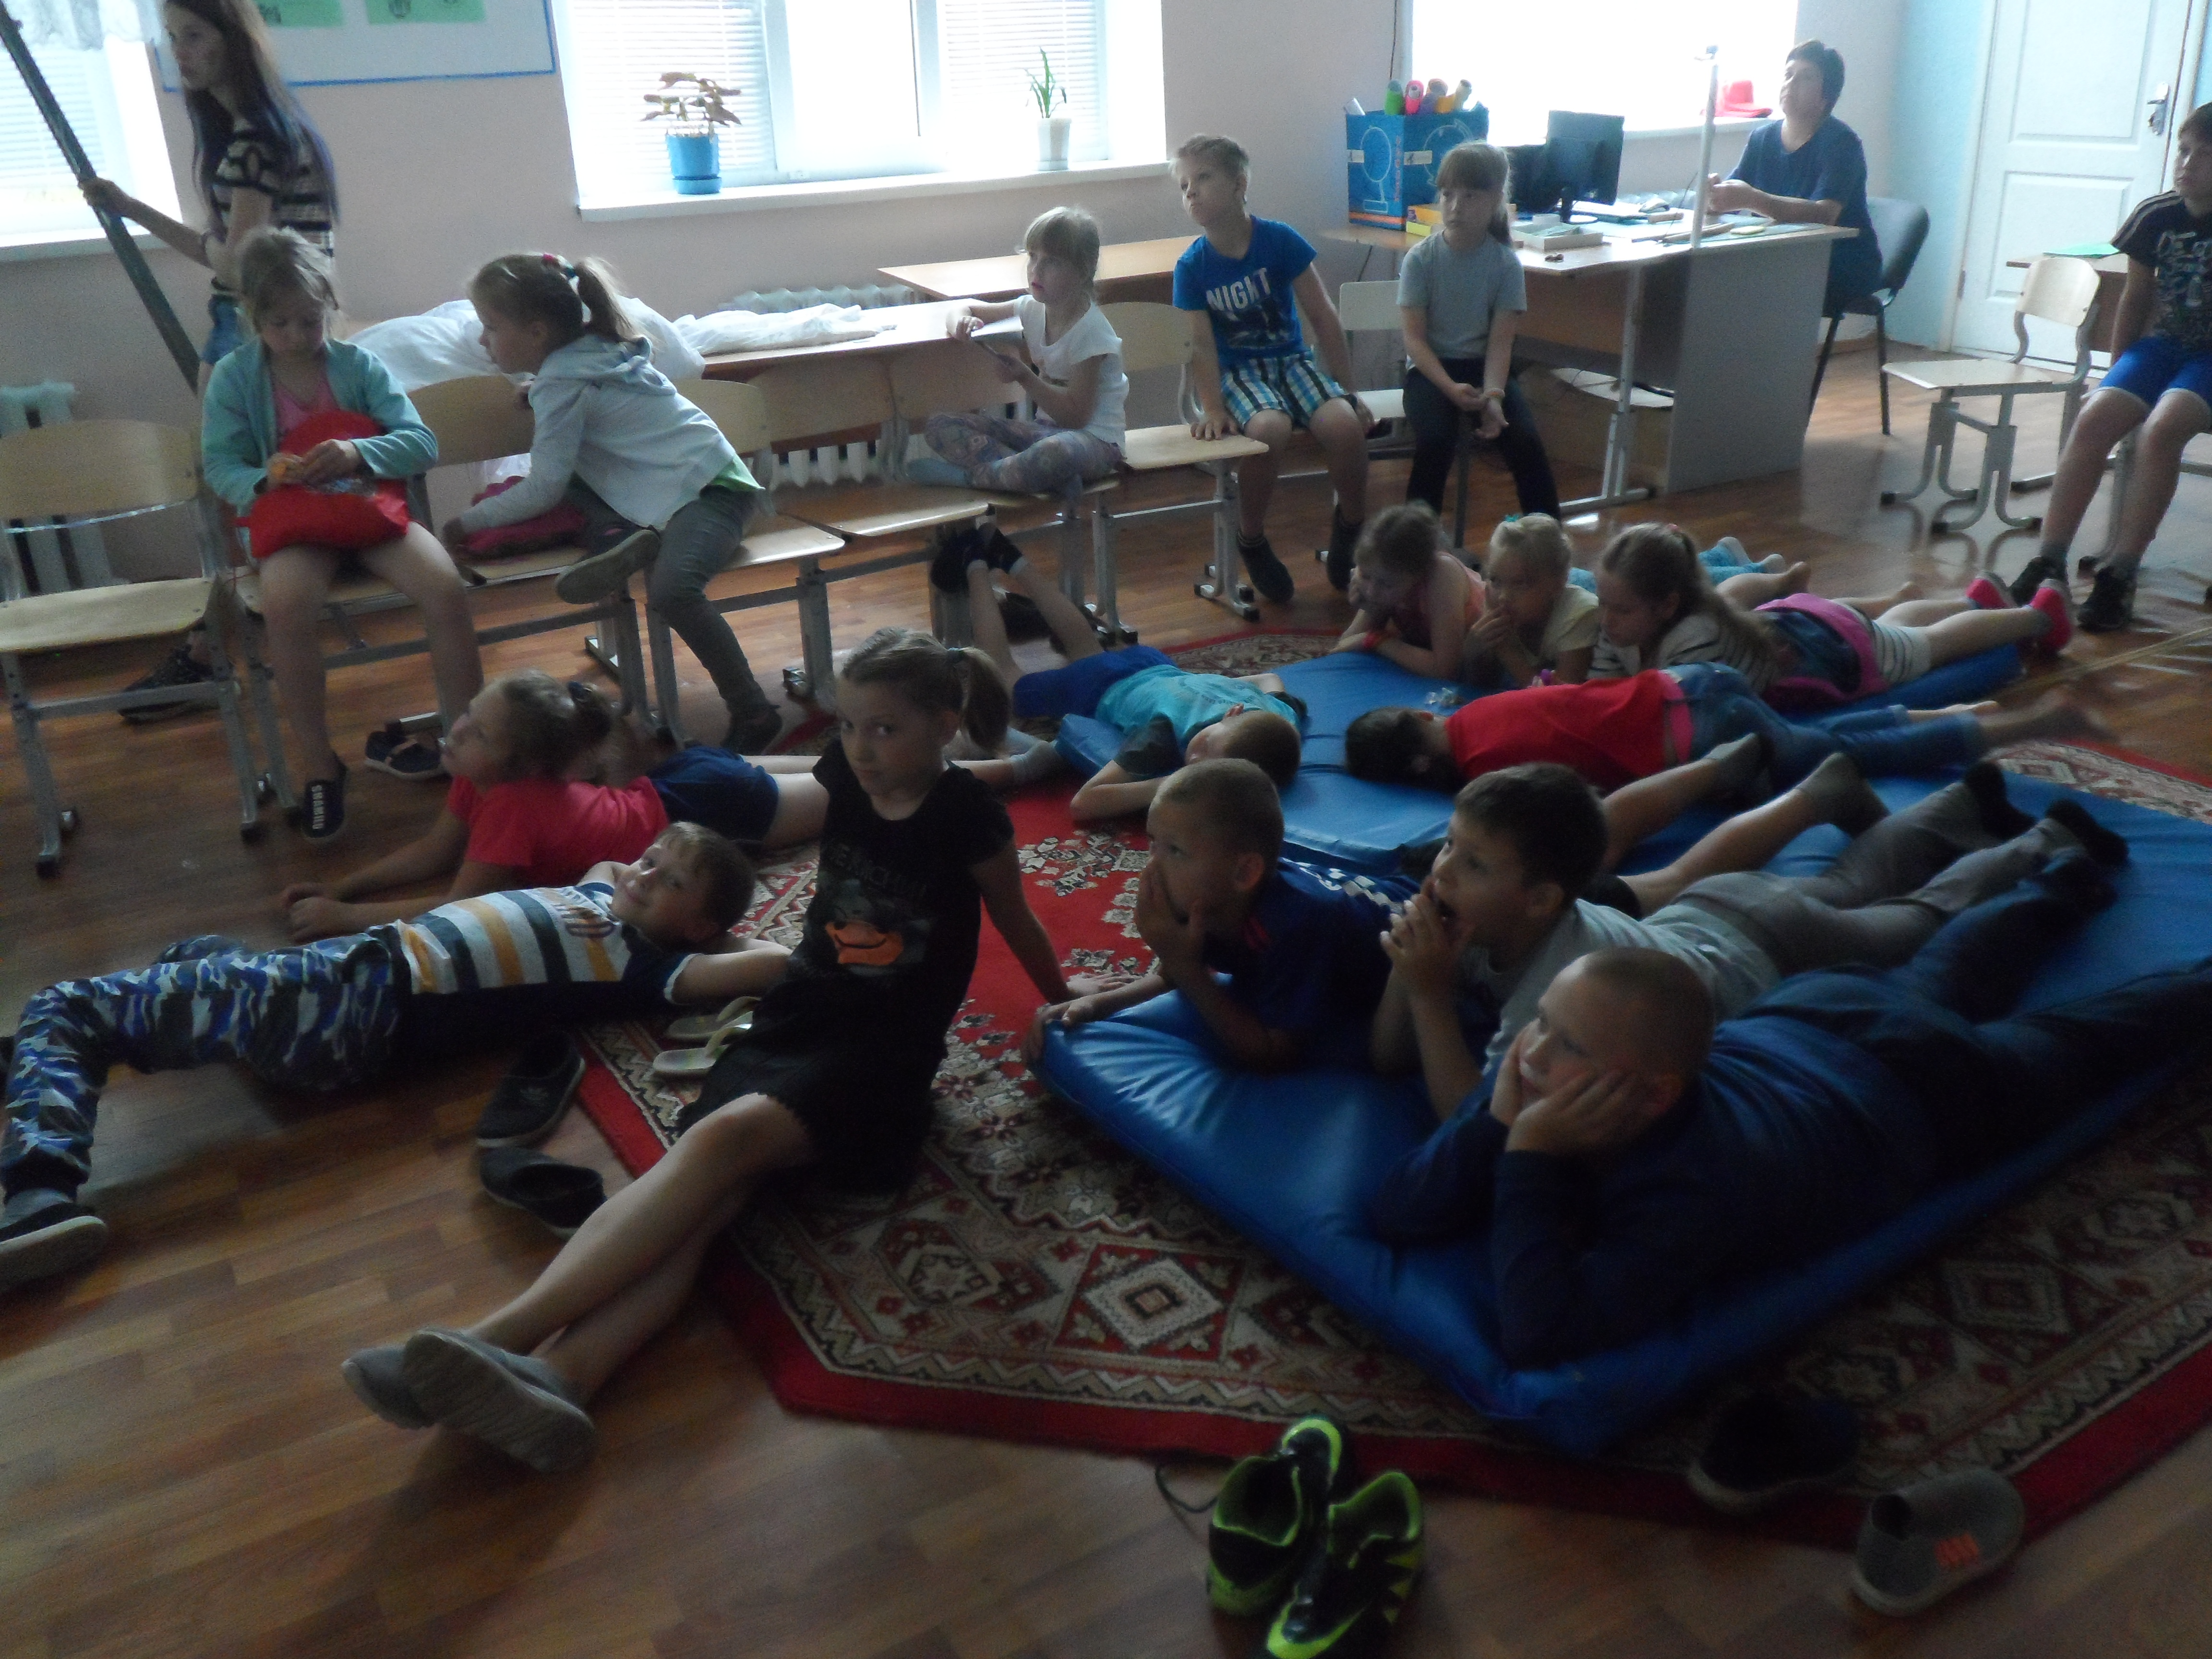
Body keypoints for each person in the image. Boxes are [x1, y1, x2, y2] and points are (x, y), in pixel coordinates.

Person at [337, 628, 1085, 1472]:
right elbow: (778, 818)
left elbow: (1015, 917)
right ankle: (564, 1380)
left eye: (886, 729)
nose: (861, 748)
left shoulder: (966, 816)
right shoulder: (844, 775)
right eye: (850, 726)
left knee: (719, 1143)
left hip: (883, 1049)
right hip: (803, 1009)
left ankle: (490, 1340)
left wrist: (1063, 998)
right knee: (705, 1200)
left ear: (944, 725)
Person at [1365, 849, 2212, 1368]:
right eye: (1542, 1022)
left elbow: (1541, 1332)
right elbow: (1397, 1209)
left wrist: (1527, 1156)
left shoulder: (1695, 1187)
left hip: (1919, 1088)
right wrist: (1496, 1119)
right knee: (1940, 975)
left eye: (1567, 1045)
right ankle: (2056, 882)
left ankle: (2144, 947)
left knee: (2083, 1043)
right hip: (1807, 1016)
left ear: (1654, 1094)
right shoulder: (1544, 1076)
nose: (1532, 1052)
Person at [0, 823, 787, 1293]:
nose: (643, 873)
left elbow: (768, 964)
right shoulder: (598, 897)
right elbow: (612, 871)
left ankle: (41, 1197)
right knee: (192, 956)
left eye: (670, 881)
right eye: (650, 858)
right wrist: (654, 877)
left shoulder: (646, 966)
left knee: (65, 1004)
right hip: (341, 989)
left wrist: (722, 938)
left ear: (698, 927)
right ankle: (50, 1063)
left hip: (353, 997)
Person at [1372, 760, 2124, 1110]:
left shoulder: (1554, 978)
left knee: (1919, 921)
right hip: (1715, 910)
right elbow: (1387, 1056)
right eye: (1449, 847)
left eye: (1473, 863)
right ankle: (1957, 803)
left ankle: (2049, 840)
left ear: (1540, 899)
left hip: (1772, 951)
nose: (1443, 871)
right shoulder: (1480, 925)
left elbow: (1472, 1119)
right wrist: (1411, 970)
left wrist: (1429, 994)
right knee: (1848, 886)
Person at [83, 0, 342, 721]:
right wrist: (130, 207)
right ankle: (215, 645)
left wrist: (159, 221)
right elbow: (225, 253)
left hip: (253, 325)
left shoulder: (258, 137)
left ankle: (211, 651)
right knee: (242, 492)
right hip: (257, 319)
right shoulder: (254, 134)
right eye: (172, 38)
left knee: (236, 494)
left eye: (194, 36)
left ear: (234, 39)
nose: (181, 52)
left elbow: (241, 262)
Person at [200, 228, 482, 839]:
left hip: (368, 515)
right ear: (253, 317)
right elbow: (220, 467)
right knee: (285, 606)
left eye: (310, 320)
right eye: (280, 324)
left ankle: (472, 748)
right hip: (295, 525)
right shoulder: (234, 377)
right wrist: (268, 476)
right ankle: (320, 765)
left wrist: (359, 453)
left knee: (445, 588)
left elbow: (421, 444)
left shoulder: (358, 366)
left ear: (329, 307)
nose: (297, 336)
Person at [444, 252, 784, 753]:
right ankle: (621, 536)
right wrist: (539, 389)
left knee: (672, 592)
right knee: (576, 479)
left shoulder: (564, 383)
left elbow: (543, 487)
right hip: (682, 487)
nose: (482, 340)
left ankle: (754, 711)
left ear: (537, 332)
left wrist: (466, 523)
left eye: (491, 327)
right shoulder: (591, 355)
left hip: (715, 493)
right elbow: (584, 414)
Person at [278, 670, 836, 941]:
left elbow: (458, 906)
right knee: (838, 764)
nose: (458, 730)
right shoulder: (479, 776)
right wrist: (342, 888)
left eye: (480, 733)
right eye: (469, 713)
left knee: (857, 786)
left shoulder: (510, 804)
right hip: (681, 781)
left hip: (707, 810)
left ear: (522, 767)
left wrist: (345, 919)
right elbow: (434, 852)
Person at [1028, 759, 1414, 1070]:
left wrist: (1188, 968)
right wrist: (1098, 1006)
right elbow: (1172, 976)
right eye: (1153, 843)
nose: (1152, 866)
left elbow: (1273, 1055)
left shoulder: (1296, 924)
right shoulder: (1204, 897)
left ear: (1244, 873)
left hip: (1414, 925)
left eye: (1175, 851)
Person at [2006, 104, 2212, 633]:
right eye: (2184, 151)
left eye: (2204, 155)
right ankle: (2049, 559)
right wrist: (2118, 372)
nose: (2187, 163)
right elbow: (2135, 298)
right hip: (2161, 346)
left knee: (2164, 427)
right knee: (2096, 416)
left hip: (2209, 359)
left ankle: (2121, 570)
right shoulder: (2156, 215)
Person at [934, 529, 1305, 822]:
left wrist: (1214, 687)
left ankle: (1011, 559)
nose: (1194, 759)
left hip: (1152, 661)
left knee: (1085, 646)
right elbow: (1085, 803)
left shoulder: (1278, 716)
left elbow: (1269, 679)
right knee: (1005, 678)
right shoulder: (1164, 734)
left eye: (1204, 766)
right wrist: (1172, 782)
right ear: (1233, 715)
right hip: (1098, 687)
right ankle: (975, 565)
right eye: (1205, 747)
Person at [1343, 661, 2101, 793]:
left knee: (1857, 756)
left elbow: (1578, 801)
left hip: (1707, 734)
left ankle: (2029, 724)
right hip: (1694, 681)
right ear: (1424, 716)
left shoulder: (1486, 775)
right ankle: (1956, 714)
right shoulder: (1474, 711)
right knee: (1833, 733)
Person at [1173, 133, 1371, 598]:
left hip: (1292, 363)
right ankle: (1252, 538)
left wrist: (1348, 390)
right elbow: (1200, 346)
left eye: (1203, 178)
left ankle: (1351, 526)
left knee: (1345, 427)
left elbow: (1323, 317)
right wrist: (1213, 408)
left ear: (1240, 184)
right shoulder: (1192, 266)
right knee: (1268, 431)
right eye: (1184, 185)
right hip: (1240, 375)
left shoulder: (1280, 240)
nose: (1191, 191)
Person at [1399, 143, 1563, 521]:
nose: (1456, 207)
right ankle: (1415, 544)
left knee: (1525, 442)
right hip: (1430, 372)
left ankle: (1549, 540)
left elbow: (1501, 344)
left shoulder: (1505, 264)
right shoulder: (1421, 259)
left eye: (1470, 196)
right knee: (1435, 442)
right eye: (1448, 195)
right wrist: (1449, 388)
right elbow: (1414, 341)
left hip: (1484, 370)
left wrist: (1493, 397)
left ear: (1495, 200)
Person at [916, 207, 1126, 497]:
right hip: (1044, 434)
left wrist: (1025, 377)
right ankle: (1038, 477)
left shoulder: (1091, 332)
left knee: (1055, 453)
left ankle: (969, 478)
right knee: (940, 425)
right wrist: (961, 324)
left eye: (1052, 262)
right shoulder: (1031, 308)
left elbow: (1075, 418)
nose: (1036, 270)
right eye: (1033, 256)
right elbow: (963, 308)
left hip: (1095, 443)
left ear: (1084, 270)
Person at [1705, 38, 1881, 315]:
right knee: (1708, 273)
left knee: (1743, 283)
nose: (1791, 83)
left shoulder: (1842, 144)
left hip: (1839, 261)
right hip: (1782, 254)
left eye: (1806, 77)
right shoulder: (1762, 138)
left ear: (1826, 95)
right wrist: (1714, 197)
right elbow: (1733, 197)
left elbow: (1824, 215)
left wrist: (1753, 199)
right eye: (1788, 75)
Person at [1330, 504, 1482, 681]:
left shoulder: (1442, 573)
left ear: (1418, 575)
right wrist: (1370, 610)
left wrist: (1377, 641)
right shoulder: (1382, 575)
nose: (1372, 592)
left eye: (1386, 584)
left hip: (1486, 665)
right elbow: (1343, 649)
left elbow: (1445, 669)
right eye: (1365, 575)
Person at [1462, 514, 1598, 687]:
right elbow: (1483, 685)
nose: (1504, 597)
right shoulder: (1498, 604)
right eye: (1496, 581)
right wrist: (1474, 650)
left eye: (1520, 584)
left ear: (1558, 583)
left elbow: (1560, 697)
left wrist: (1505, 650)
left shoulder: (1580, 615)